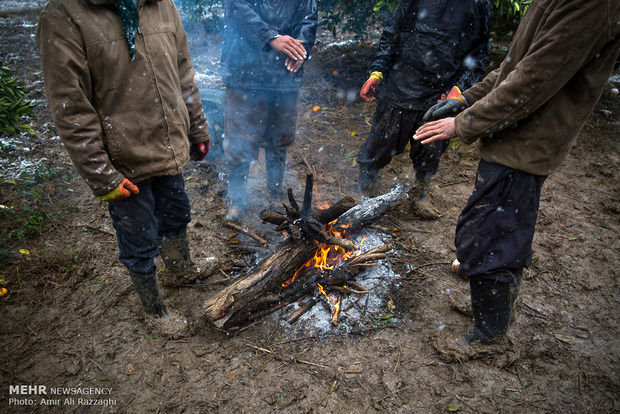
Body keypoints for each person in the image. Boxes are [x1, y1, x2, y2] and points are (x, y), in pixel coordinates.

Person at [415, 0, 620, 345]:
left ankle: (489, 335)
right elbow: (515, 65)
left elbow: (534, 79)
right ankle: (496, 311)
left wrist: (463, 123)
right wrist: (466, 99)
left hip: (528, 139)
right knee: (499, 230)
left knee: (487, 236)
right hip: (512, 132)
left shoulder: (592, 4)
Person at [36, 0, 210, 337]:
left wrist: (197, 128)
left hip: (167, 142)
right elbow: (71, 107)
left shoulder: (162, 5)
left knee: (176, 213)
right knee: (138, 235)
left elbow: (183, 73)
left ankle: (179, 268)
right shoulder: (65, 15)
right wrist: (102, 175)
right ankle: (154, 310)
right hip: (124, 158)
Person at [357, 0, 491, 219]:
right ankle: (363, 192)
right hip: (401, 82)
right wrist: (377, 72)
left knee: (431, 145)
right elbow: (393, 32)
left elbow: (478, 53)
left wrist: (458, 89)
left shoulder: (478, 3)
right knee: (379, 143)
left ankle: (420, 195)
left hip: (441, 91)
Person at [221, 0, 318, 220]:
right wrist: (271, 37)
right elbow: (238, 8)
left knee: (279, 138)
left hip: (284, 75)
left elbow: (308, 16)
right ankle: (237, 201)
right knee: (239, 140)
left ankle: (275, 196)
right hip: (245, 71)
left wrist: (299, 47)